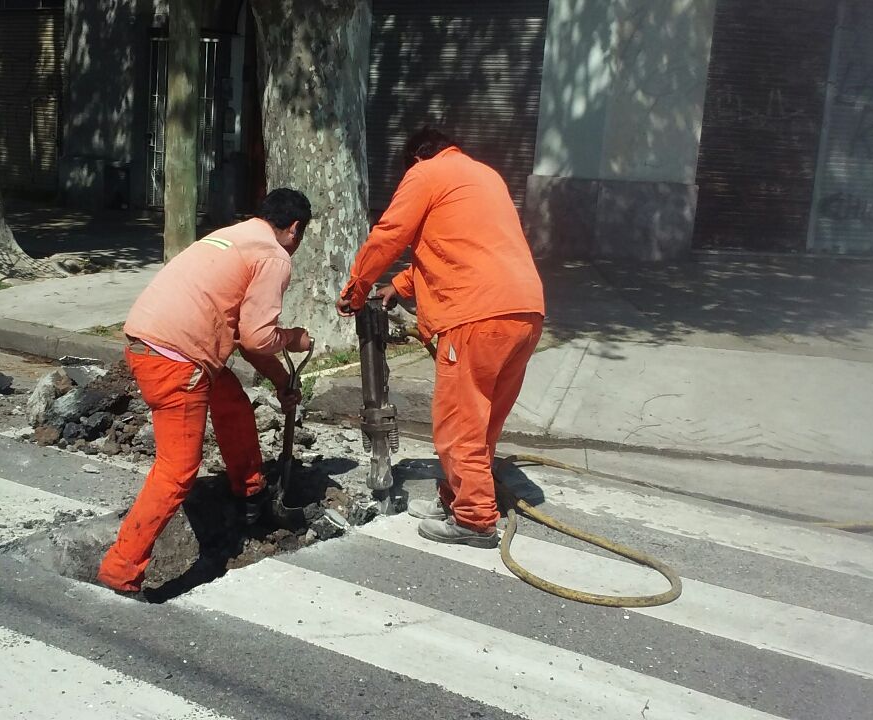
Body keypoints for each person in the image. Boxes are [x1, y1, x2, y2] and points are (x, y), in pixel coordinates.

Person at [336, 127, 545, 549]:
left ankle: (474, 520)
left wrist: (356, 290)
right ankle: (456, 498)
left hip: (475, 315)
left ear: (416, 158)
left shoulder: (426, 173)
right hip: (525, 312)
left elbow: (389, 235)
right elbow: (459, 247)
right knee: (482, 422)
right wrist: (400, 286)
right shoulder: (484, 175)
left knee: (458, 425)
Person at [98, 188, 314, 593]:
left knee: (231, 401)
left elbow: (245, 339)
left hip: (149, 342)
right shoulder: (273, 255)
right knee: (177, 470)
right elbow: (259, 337)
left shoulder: (234, 236)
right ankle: (121, 569)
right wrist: (294, 338)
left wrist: (283, 381)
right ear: (295, 228)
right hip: (179, 362)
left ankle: (250, 491)